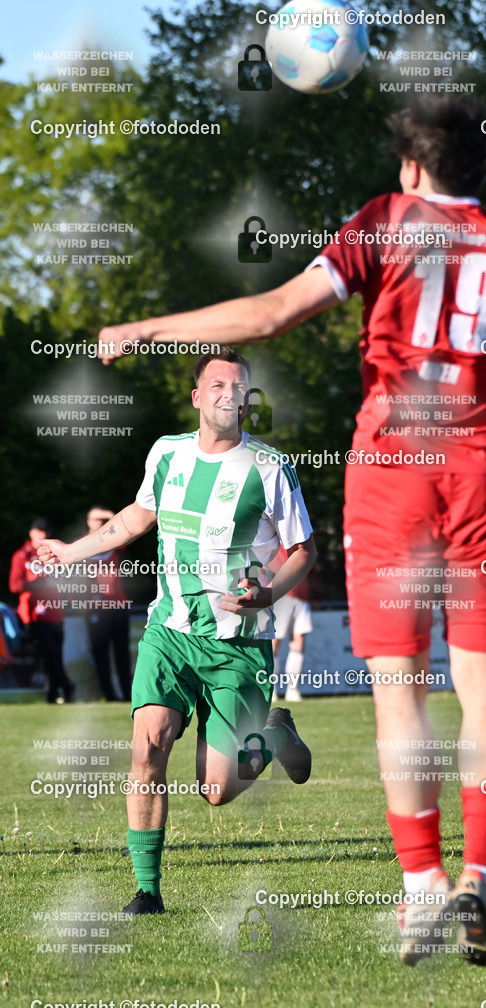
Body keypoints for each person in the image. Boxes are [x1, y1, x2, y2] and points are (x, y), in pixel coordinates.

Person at [97, 96, 486, 964]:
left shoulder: (386, 222)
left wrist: (147, 328)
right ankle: (480, 879)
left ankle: (422, 889)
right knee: (485, 685)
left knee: (400, 686)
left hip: (392, 474)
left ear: (412, 168)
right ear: (481, 170)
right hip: (477, 475)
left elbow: (273, 312)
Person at [37, 347, 317, 915]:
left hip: (235, 643)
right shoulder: (166, 455)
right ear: (197, 396)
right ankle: (147, 891)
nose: (228, 395)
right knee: (146, 748)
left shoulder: (269, 469)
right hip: (168, 633)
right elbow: (135, 519)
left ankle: (274, 732)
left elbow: (305, 551)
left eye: (239, 387)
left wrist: (268, 593)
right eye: (217, 385)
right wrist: (71, 552)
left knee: (215, 790)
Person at [9, 518, 75, 703]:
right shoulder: (22, 555)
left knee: (53, 657)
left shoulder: (54, 554)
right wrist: (39, 584)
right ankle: (68, 686)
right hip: (34, 615)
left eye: (45, 532)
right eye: (38, 531)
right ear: (31, 533)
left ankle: (52, 695)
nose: (42, 535)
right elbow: (14, 585)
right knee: (51, 653)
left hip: (56, 612)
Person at [84, 506, 133, 701]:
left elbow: (125, 531)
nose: (100, 523)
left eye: (103, 521)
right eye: (96, 520)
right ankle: (109, 695)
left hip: (118, 604)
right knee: (101, 653)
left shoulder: (110, 539)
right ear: (88, 521)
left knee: (122, 653)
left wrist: (110, 517)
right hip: (95, 607)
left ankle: (127, 694)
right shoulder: (82, 543)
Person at [270, 544, 319, 701]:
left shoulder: (304, 539)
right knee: (274, 644)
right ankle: (272, 690)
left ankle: (293, 690)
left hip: (302, 598)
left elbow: (310, 566)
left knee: (298, 643)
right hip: (281, 595)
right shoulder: (277, 540)